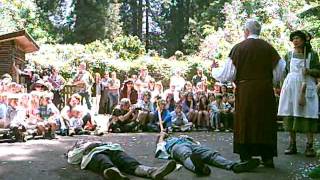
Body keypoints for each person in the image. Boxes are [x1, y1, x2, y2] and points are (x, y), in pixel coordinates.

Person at [212, 19, 284, 167]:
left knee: (246, 121)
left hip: (246, 92)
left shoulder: (239, 48)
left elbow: (228, 74)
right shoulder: (269, 48)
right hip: (264, 90)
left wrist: (213, 70)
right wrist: (270, 81)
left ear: (246, 31)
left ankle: (246, 156)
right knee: (264, 121)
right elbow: (280, 69)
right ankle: (267, 157)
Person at [278, 30, 320, 157]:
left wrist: (310, 71)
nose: (295, 41)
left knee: (308, 113)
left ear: (304, 40)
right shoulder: (288, 55)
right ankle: (292, 144)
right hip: (291, 87)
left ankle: (309, 146)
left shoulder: (312, 55)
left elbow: (319, 71)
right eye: (293, 38)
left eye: (298, 38)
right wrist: (282, 87)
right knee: (290, 112)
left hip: (306, 86)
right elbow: (284, 72)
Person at [155, 132, 259, 176]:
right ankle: (198, 168)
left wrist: (186, 137)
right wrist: (161, 135)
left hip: (192, 145)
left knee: (211, 154)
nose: (169, 135)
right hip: (177, 148)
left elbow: (195, 142)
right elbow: (159, 143)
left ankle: (234, 166)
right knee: (186, 156)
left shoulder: (181, 137)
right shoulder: (165, 143)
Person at [67, 139, 176, 180]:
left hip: (112, 150)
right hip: (93, 154)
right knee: (103, 161)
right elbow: (72, 159)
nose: (84, 140)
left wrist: (112, 147)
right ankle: (114, 174)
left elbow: (117, 146)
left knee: (129, 162)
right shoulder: (78, 149)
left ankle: (153, 172)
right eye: (80, 141)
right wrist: (84, 148)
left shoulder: (101, 142)